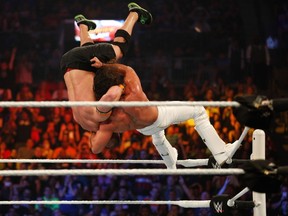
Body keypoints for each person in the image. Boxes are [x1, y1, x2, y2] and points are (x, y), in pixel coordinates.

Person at [90, 63, 239, 168]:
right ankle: (220, 152)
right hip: (158, 117)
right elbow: (127, 69)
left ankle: (170, 161)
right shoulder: (133, 92)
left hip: (143, 129)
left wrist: (91, 131)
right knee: (198, 110)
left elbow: (95, 148)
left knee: (157, 133)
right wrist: (104, 66)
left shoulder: (109, 117)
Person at [60, 2, 152, 132]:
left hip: (78, 61)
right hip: (67, 65)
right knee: (89, 58)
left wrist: (122, 87)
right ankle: (83, 25)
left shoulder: (99, 117)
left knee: (119, 49)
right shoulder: (81, 121)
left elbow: (111, 94)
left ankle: (135, 13)